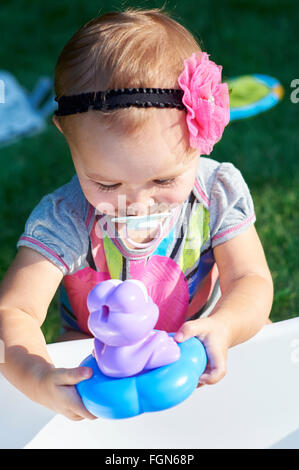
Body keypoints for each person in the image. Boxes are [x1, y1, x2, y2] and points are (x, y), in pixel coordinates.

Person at [0, 8, 273, 421]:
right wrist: (36, 374)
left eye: (164, 181)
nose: (137, 204)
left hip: (203, 332)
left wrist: (226, 326)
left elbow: (250, 279)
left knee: (264, 341)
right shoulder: (67, 218)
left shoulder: (214, 192)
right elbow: (13, 311)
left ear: (198, 145)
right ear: (66, 138)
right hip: (100, 351)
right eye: (107, 184)